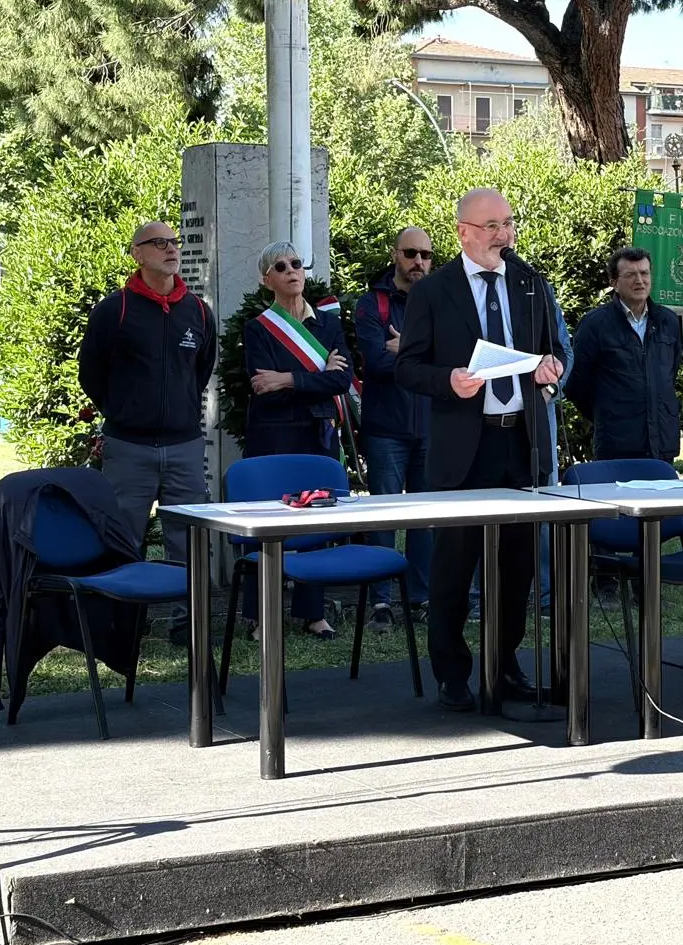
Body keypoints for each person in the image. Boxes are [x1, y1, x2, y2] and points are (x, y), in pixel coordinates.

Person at [394, 187, 564, 713]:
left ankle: (504, 663)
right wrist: (449, 381)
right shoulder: (434, 291)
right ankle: (452, 672)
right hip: (464, 447)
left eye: (507, 223)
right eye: (491, 226)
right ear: (463, 231)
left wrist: (551, 369)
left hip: (520, 440)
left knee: (517, 566)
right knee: (455, 564)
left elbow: (555, 348)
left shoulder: (530, 282)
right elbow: (407, 367)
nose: (502, 235)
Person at [78, 220, 217, 590]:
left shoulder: (199, 312)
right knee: (122, 539)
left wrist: (180, 410)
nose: (171, 249)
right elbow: (91, 374)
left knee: (187, 541)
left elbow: (199, 371)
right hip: (129, 448)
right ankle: (123, 623)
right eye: (159, 243)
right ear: (137, 254)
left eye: (175, 242)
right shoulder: (114, 310)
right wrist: (124, 412)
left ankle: (186, 622)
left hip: (185, 446)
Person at [244, 240, 353, 638]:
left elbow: (341, 379)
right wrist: (316, 376)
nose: (292, 271)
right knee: (268, 522)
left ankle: (313, 613)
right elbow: (262, 384)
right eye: (281, 266)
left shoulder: (327, 323)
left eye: (296, 264)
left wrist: (288, 377)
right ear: (266, 279)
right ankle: (260, 614)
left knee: (314, 521)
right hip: (273, 433)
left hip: (317, 432)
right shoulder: (258, 329)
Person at [354, 226, 435, 629]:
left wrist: (406, 350)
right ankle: (381, 601)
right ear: (395, 255)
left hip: (431, 427)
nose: (418, 261)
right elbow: (374, 361)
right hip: (386, 427)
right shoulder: (371, 304)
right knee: (383, 514)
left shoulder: (441, 302)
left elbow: (456, 358)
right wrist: (420, 355)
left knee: (425, 518)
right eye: (410, 253)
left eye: (425, 254)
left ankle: (420, 598)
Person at [565, 247, 682, 462]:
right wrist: (608, 414)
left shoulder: (668, 321)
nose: (640, 280)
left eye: (644, 273)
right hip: (616, 444)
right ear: (614, 282)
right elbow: (576, 384)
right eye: (630, 275)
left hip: (662, 444)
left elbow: (670, 374)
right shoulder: (595, 324)